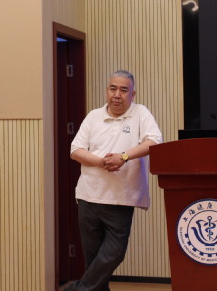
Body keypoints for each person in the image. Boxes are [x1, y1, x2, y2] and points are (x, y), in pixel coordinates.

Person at [65, 70, 162, 291]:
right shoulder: (93, 116)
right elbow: (75, 150)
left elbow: (154, 141)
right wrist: (102, 162)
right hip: (89, 196)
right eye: (113, 89)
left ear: (132, 94)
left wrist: (123, 157)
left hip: (121, 198)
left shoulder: (140, 113)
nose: (117, 94)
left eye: (123, 90)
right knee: (94, 263)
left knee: (114, 253)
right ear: (107, 91)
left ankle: (76, 289)